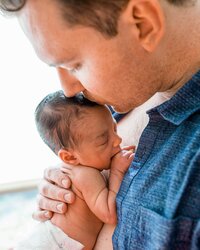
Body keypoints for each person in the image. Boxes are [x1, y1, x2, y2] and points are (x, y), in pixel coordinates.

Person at [1, 0, 200, 249]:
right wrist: (63, 186)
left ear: (143, 24)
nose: (69, 91)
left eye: (75, 65)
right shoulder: (128, 93)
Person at [14, 90, 134, 250]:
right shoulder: (86, 175)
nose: (118, 140)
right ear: (69, 157)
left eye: (114, 129)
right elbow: (110, 214)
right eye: (104, 141)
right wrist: (117, 172)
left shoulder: (75, 168)